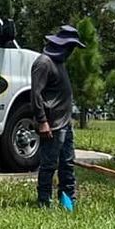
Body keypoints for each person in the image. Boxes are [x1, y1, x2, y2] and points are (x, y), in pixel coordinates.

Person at [30, 24, 83, 207]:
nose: (71, 52)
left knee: (67, 163)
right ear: (63, 45)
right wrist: (43, 121)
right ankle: (44, 201)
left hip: (65, 123)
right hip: (52, 124)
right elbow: (35, 94)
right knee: (49, 164)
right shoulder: (43, 63)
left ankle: (68, 200)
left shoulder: (59, 63)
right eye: (71, 47)